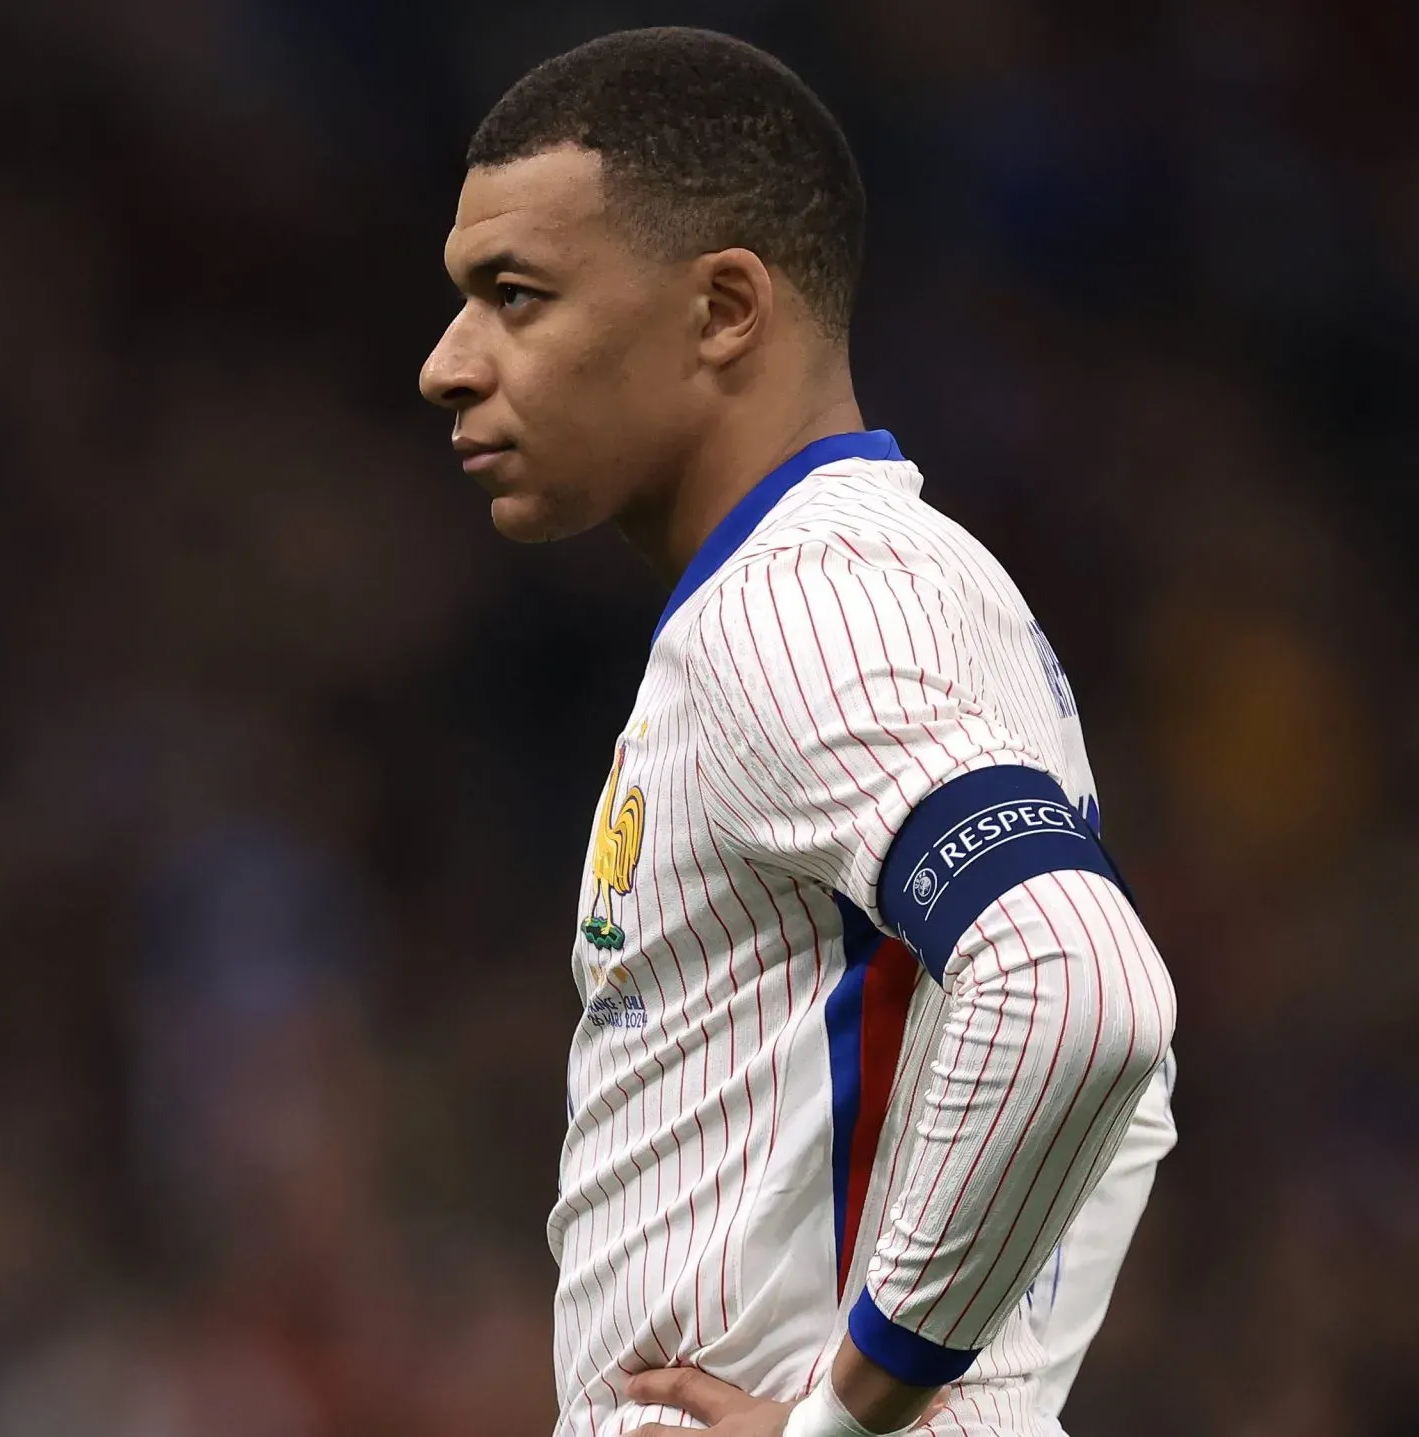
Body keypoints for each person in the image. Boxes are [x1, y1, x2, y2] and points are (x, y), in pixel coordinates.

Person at [417, 29, 1177, 1437]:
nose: (445, 365)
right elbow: (1122, 1105)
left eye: (514, 296)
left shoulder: (804, 604)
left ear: (723, 308)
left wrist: (854, 1414)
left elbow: (1074, 982)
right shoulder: (890, 588)